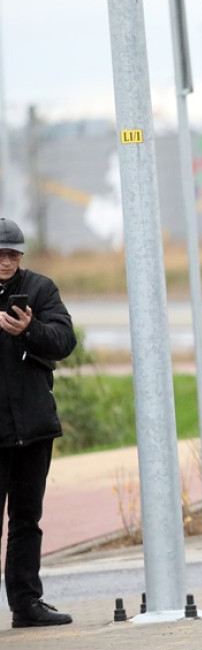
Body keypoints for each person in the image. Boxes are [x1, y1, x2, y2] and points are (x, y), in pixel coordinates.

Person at [0, 217, 76, 628]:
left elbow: (65, 341)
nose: (6, 260)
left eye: (12, 253)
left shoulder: (40, 289)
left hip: (33, 425)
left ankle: (26, 604)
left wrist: (30, 330)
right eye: (0, 253)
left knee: (27, 519)